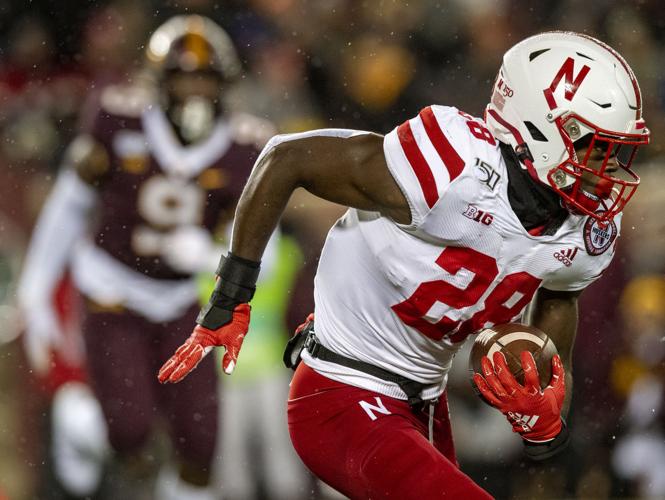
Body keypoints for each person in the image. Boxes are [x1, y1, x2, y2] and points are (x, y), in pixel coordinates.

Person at [159, 31, 650, 498]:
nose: (608, 172)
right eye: (597, 148)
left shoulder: (583, 230)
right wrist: (230, 296)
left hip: (426, 406)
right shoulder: (453, 167)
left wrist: (545, 417)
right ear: (540, 129)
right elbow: (286, 158)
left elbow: (559, 298)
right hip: (341, 391)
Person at [18, 15, 274, 500]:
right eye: (183, 77)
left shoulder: (247, 146)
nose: (194, 90)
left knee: (200, 443)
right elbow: (69, 205)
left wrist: (214, 254)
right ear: (159, 81)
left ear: (224, 85)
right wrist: (35, 290)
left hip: (180, 297)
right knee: (130, 430)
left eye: (205, 77)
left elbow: (268, 237)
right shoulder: (118, 117)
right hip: (113, 286)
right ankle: (83, 420)